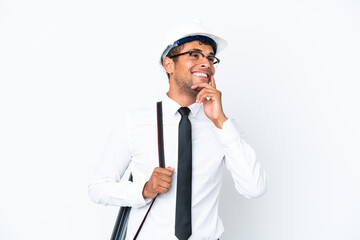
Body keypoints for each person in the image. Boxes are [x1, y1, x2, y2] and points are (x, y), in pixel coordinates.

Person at [88, 20, 267, 240]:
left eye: (210, 58)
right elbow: (97, 188)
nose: (206, 63)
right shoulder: (135, 122)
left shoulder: (224, 127)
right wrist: (143, 190)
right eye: (195, 54)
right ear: (168, 64)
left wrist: (220, 120)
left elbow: (255, 188)